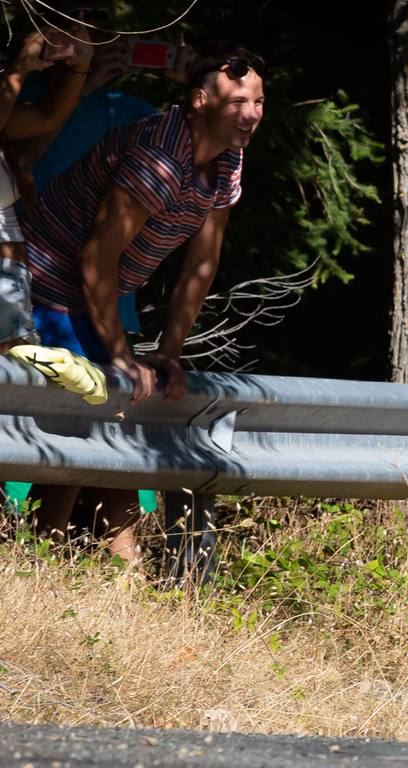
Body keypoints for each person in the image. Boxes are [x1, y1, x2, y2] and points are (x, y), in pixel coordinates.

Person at [24, 45, 263, 562]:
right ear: (200, 101)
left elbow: (202, 265)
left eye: (260, 103)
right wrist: (121, 354)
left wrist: (170, 352)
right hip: (45, 284)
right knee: (90, 415)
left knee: (119, 415)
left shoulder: (228, 159)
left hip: (86, 296)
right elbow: (95, 259)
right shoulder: (159, 157)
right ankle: (38, 562)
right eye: (239, 102)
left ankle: (122, 565)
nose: (252, 115)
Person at [0, 21, 105, 401]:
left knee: (16, 377)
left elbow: (46, 118)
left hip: (11, 269)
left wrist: (80, 69)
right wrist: (20, 66)